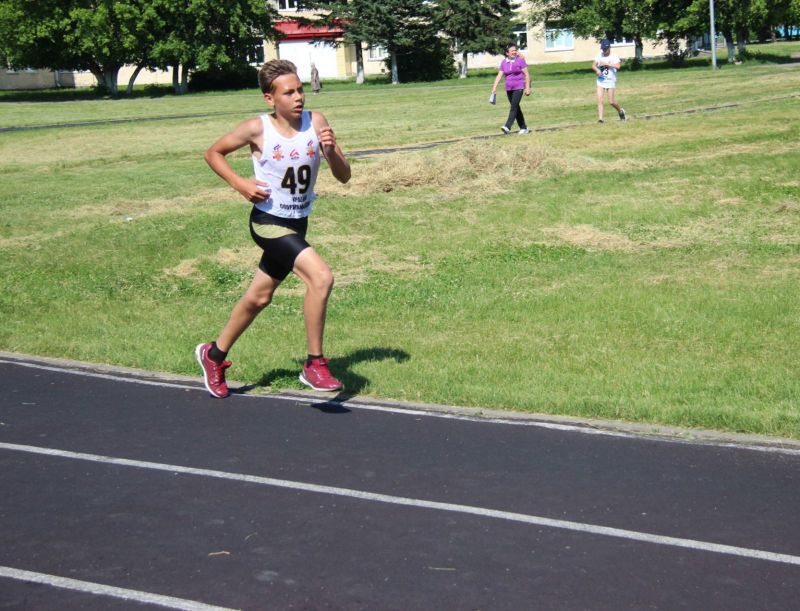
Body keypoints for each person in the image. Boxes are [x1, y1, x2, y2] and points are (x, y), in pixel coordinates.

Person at [196, 59, 351, 397]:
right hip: (268, 222)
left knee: (259, 297)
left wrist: (330, 151)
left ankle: (213, 354)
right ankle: (314, 364)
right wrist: (240, 184)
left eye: (300, 90)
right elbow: (213, 153)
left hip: (297, 223)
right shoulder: (257, 128)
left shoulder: (317, 122)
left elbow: (344, 175)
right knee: (321, 277)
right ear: (270, 98)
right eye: (289, 92)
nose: (298, 97)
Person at [491, 43, 531, 135]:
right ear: (507, 53)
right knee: (516, 107)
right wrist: (494, 88)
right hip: (509, 88)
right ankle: (524, 128)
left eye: (515, 50)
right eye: (512, 51)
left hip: (519, 86)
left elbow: (527, 75)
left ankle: (507, 126)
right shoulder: (504, 62)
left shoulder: (520, 60)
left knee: (513, 107)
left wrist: (528, 88)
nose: (514, 52)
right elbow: (499, 76)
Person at [592, 39, 626, 123]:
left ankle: (620, 111)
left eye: (605, 49)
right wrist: (597, 70)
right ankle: (601, 119)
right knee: (600, 100)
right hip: (601, 81)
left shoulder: (614, 56)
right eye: (603, 49)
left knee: (611, 102)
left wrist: (607, 64)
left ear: (609, 48)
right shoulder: (599, 55)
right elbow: (593, 65)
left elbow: (618, 66)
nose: (604, 51)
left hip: (610, 81)